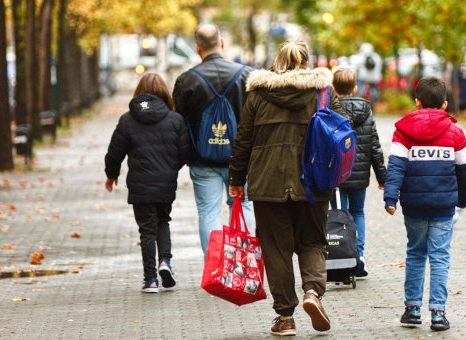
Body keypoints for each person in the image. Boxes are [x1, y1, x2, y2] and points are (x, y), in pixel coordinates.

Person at [228, 39, 345, 336]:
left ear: (277, 61)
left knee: (276, 250)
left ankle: (285, 318)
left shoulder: (258, 94)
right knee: (313, 242)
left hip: (268, 182)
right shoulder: (322, 92)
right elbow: (342, 130)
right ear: (306, 62)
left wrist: (236, 180)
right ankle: (312, 293)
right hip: (313, 182)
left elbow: (243, 140)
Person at [383, 77, 466, 331]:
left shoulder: (403, 132)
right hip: (444, 206)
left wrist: (390, 198)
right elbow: (465, 171)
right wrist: (461, 203)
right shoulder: (455, 132)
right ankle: (437, 313)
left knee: (415, 254)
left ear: (417, 102)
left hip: (414, 206)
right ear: (444, 104)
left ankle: (412, 309)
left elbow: (396, 167)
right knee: (440, 257)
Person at [104, 73, 192, 293]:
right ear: (164, 91)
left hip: (140, 184)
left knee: (146, 230)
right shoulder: (176, 120)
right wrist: (170, 170)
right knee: (163, 221)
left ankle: (151, 279)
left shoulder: (127, 120)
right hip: (165, 184)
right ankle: (165, 262)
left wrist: (111, 174)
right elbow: (184, 153)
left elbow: (115, 152)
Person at [172, 24, 254, 256]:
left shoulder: (186, 80)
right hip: (241, 159)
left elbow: (179, 121)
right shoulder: (246, 75)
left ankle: (215, 268)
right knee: (242, 205)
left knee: (208, 212)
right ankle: (242, 264)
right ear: (222, 43)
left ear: (197, 48)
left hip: (202, 160)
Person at [331, 68, 387, 279]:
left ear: (334, 88)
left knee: (339, 215)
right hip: (360, 173)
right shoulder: (365, 109)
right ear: (355, 87)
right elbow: (374, 145)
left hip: (336, 174)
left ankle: (341, 257)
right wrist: (382, 177)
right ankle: (359, 256)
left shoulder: (329, 110)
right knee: (358, 212)